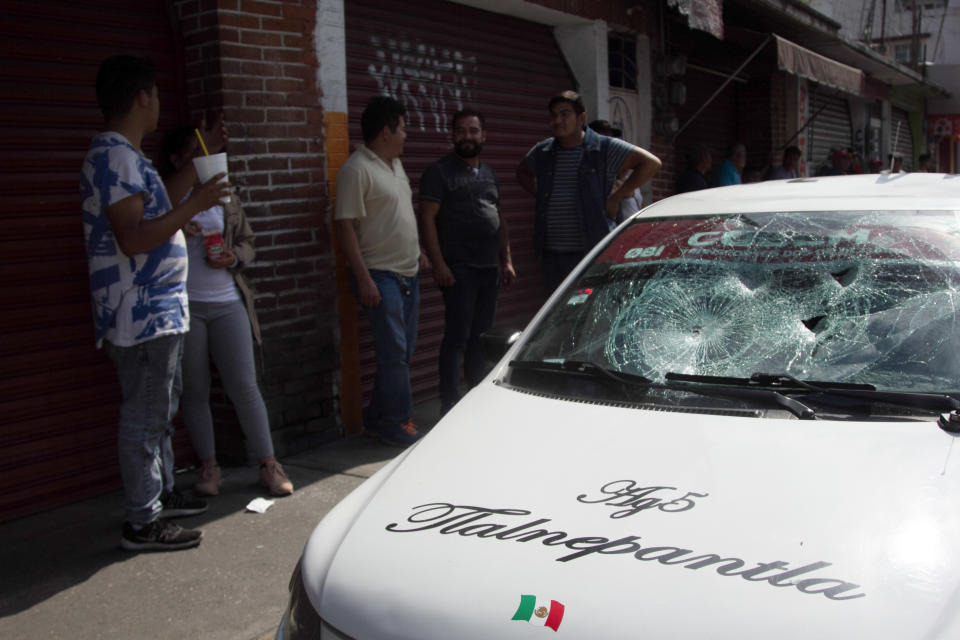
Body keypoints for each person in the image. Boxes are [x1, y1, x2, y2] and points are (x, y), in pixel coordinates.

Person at [80, 55, 230, 551]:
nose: (161, 103)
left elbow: (159, 203)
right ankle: (143, 523)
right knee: (144, 417)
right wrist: (197, 205)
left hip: (157, 313)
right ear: (142, 97)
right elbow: (133, 237)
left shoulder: (127, 156)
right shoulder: (116, 158)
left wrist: (199, 162)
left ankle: (161, 495)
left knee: (158, 410)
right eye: (158, 94)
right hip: (140, 316)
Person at [159, 127, 293, 498]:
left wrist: (234, 257)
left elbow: (248, 241)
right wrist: (178, 230)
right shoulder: (167, 197)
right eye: (192, 154)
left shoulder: (223, 193)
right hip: (186, 304)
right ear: (176, 161)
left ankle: (268, 464)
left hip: (228, 300)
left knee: (244, 385)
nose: (201, 162)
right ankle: (208, 467)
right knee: (195, 390)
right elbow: (150, 236)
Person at [334, 96, 426, 446]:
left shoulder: (394, 164)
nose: (406, 136)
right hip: (380, 276)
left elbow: (399, 214)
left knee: (401, 353)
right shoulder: (356, 169)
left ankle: (377, 416)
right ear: (386, 131)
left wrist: (418, 252)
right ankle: (398, 422)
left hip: (408, 274)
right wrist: (364, 279)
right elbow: (345, 227)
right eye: (402, 128)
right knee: (395, 355)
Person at [420, 109, 516, 416]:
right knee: (457, 337)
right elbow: (427, 219)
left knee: (481, 337)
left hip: (489, 268)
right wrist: (439, 264)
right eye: (461, 131)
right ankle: (449, 402)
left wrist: (507, 259)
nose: (467, 137)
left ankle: (475, 396)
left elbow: (499, 217)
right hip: (459, 269)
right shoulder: (439, 172)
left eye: (473, 131)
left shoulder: (489, 173)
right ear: (452, 135)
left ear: (483, 136)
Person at [516, 90, 661, 293]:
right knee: (557, 316)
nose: (558, 120)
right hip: (552, 254)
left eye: (565, 114)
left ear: (581, 118)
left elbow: (651, 163)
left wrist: (617, 197)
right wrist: (542, 196)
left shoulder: (603, 148)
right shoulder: (543, 152)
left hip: (591, 252)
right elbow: (522, 172)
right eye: (553, 115)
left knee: (590, 313)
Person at [588, 119, 644, 223]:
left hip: (632, 231)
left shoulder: (630, 176)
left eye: (611, 136)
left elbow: (639, 206)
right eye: (604, 135)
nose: (610, 140)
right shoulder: (595, 175)